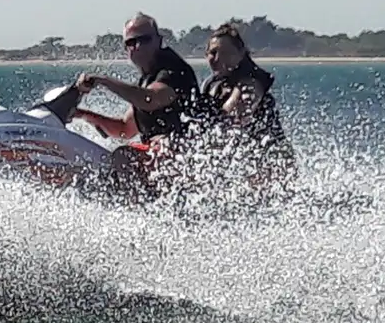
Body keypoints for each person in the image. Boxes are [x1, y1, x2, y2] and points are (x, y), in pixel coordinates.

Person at [68, 13, 201, 197]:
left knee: (125, 156)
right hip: (161, 161)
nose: (137, 47)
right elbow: (125, 129)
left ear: (158, 40)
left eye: (144, 40)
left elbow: (150, 100)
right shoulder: (146, 79)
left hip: (188, 158)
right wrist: (82, 114)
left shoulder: (173, 70)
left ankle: (137, 210)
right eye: (131, 43)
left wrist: (103, 81)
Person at [198, 21, 295, 186]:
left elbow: (238, 112)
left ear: (241, 53)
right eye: (213, 53)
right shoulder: (210, 85)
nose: (218, 58)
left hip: (273, 162)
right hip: (244, 162)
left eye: (226, 53)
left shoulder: (252, 81)